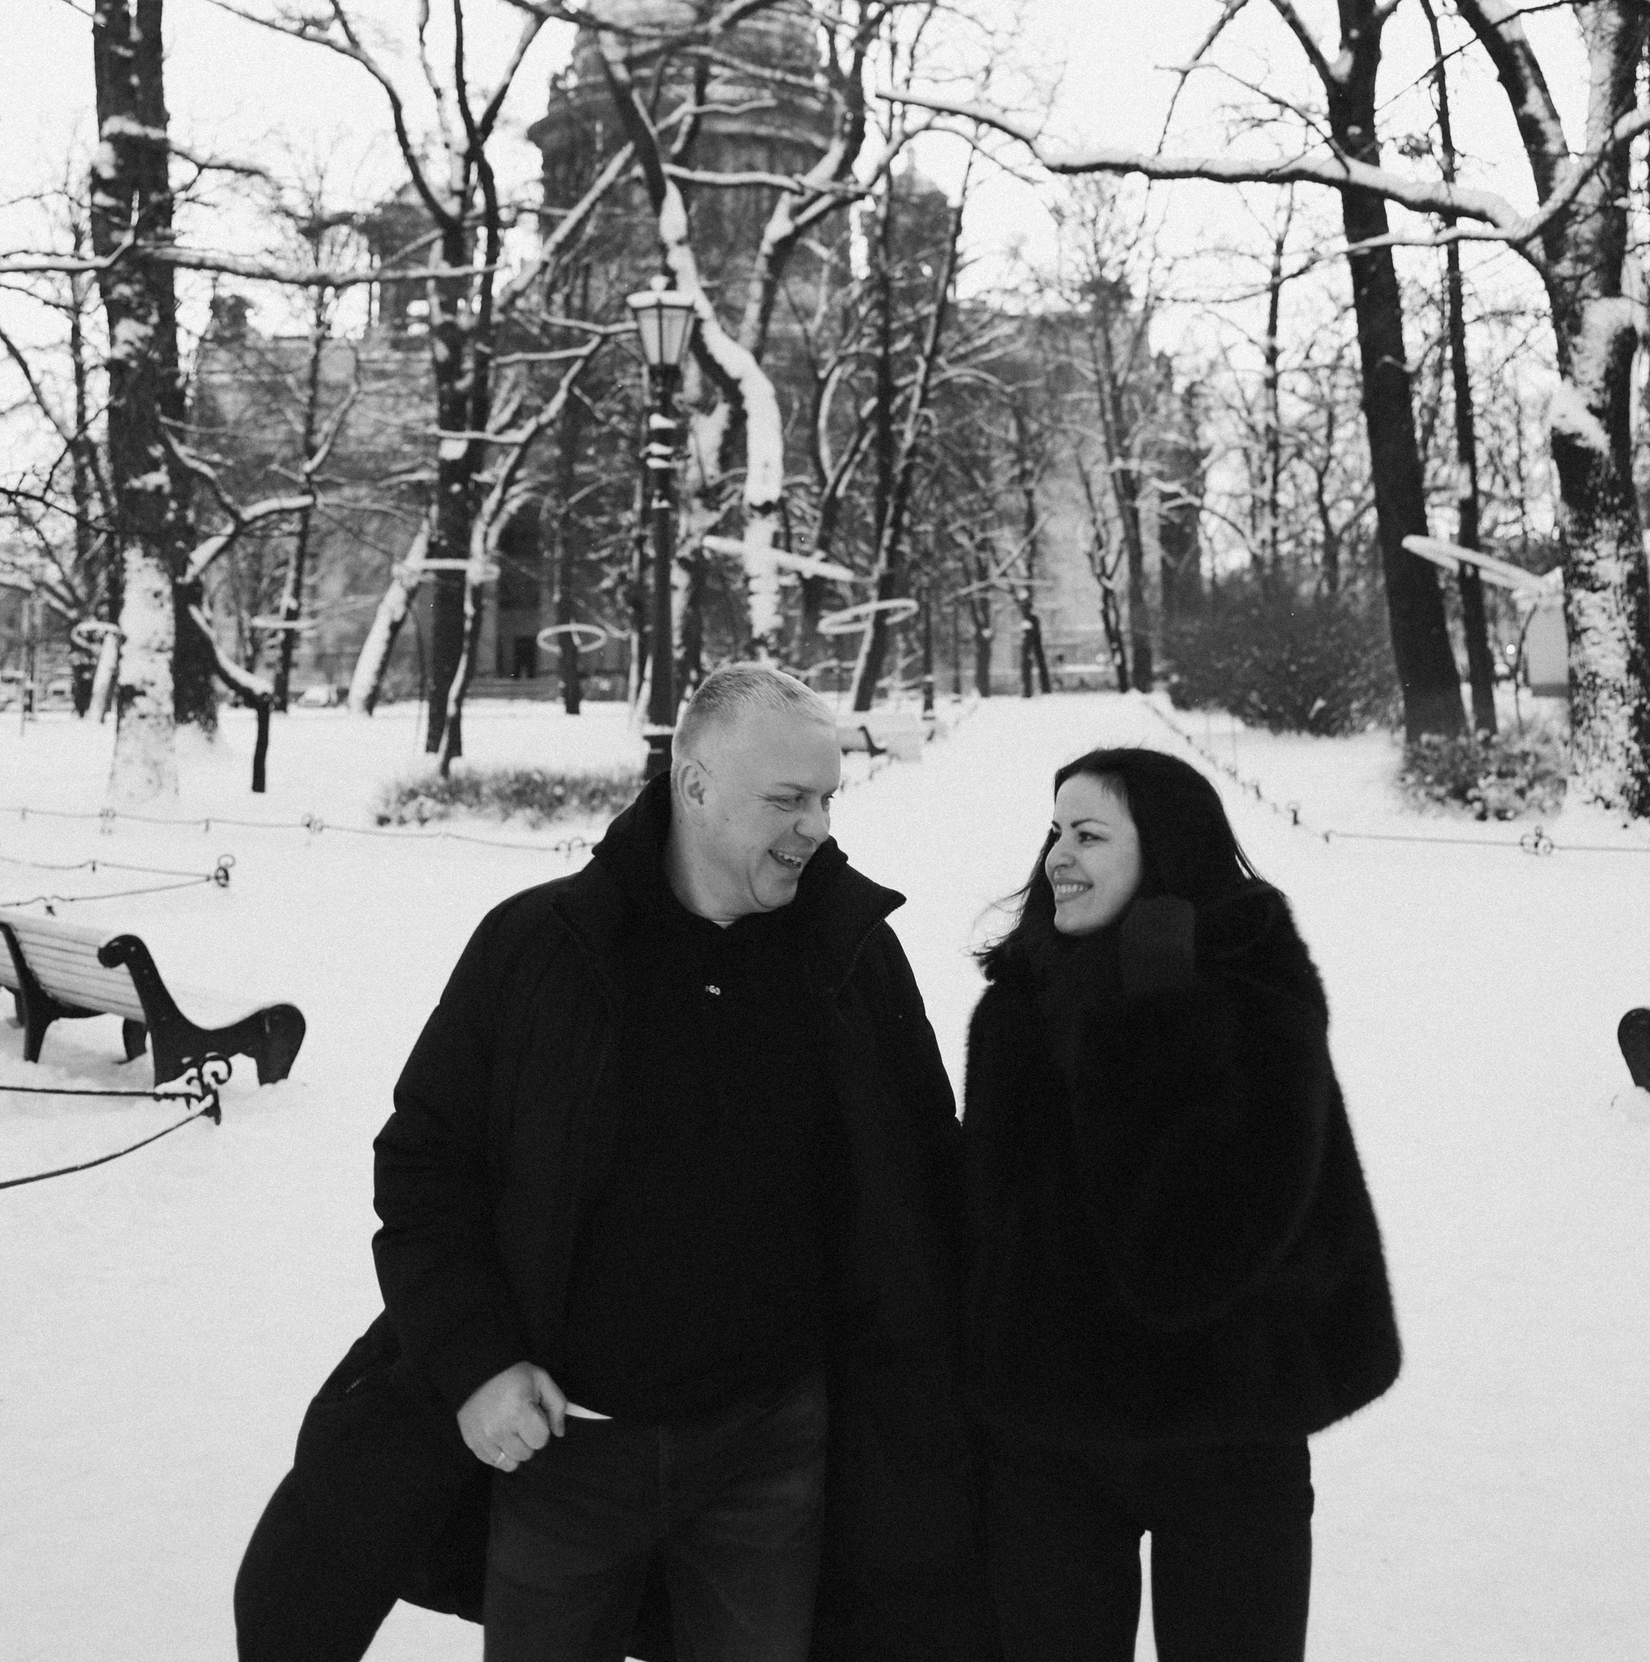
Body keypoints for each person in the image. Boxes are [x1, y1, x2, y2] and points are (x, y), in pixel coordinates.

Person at [234, 662, 992, 1662]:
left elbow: (923, 1176)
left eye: (826, 798)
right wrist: (477, 1367)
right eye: (788, 799)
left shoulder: (850, 957)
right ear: (695, 785)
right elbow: (425, 1170)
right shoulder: (541, 948)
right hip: (567, 1453)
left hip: (773, 1457)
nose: (817, 827)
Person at [961, 746, 1400, 1662]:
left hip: (1228, 1427)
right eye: (1054, 832)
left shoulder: (1253, 997)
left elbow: (1188, 1257)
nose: (1057, 857)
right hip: (1050, 1445)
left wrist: (1155, 1017)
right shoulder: (1019, 1009)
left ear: (1163, 850)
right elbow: (987, 1229)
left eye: (1089, 835)